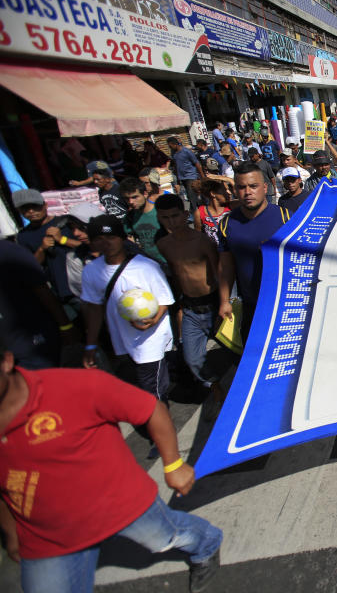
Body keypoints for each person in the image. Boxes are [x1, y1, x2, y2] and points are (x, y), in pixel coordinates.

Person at [0, 350, 222, 593]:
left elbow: (150, 409)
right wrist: (11, 533)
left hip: (120, 504)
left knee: (167, 536)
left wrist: (174, 465)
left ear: (7, 361)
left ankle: (207, 544)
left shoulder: (72, 386)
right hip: (45, 539)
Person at [81, 214, 174, 405]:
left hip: (150, 340)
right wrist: (90, 345)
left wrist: (153, 321)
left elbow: (165, 300)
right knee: (138, 388)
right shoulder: (91, 271)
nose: (106, 243)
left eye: (111, 237)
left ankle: (162, 429)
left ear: (122, 238)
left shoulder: (146, 267)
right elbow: (95, 309)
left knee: (152, 393)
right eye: (99, 239)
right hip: (122, 341)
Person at [155, 195, 224, 404]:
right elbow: (175, 277)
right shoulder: (164, 245)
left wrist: (224, 303)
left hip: (213, 304)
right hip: (190, 309)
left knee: (238, 351)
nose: (171, 222)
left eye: (175, 216)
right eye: (165, 218)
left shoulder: (202, 241)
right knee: (192, 358)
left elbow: (219, 273)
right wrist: (179, 309)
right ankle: (215, 387)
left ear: (185, 215)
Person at [218, 162, 290, 341]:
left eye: (253, 186)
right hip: (251, 306)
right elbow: (226, 267)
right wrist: (224, 300)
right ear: (235, 190)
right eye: (242, 187)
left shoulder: (287, 218)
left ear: (265, 188)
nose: (248, 192)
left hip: (285, 306)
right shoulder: (227, 224)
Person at [0, 239, 76, 370]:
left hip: (33, 343)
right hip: (6, 351)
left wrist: (65, 325)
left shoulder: (8, 251)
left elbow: (42, 289)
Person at [119, 178, 165, 264]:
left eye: (134, 197)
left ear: (145, 194)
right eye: (127, 198)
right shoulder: (130, 217)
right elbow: (130, 241)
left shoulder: (161, 212)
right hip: (149, 265)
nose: (131, 202)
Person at [167, 137, 204, 211]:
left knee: (191, 196)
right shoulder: (174, 153)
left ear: (175, 144)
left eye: (170, 146)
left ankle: (195, 213)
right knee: (191, 196)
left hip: (191, 176)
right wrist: (177, 181)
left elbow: (196, 163)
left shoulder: (186, 151)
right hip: (182, 178)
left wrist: (202, 176)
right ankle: (198, 210)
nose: (170, 148)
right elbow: (176, 166)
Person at [194, 180, 231, 249]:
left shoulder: (232, 207)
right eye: (224, 190)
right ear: (213, 193)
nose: (229, 193)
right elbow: (198, 238)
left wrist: (224, 178)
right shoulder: (200, 212)